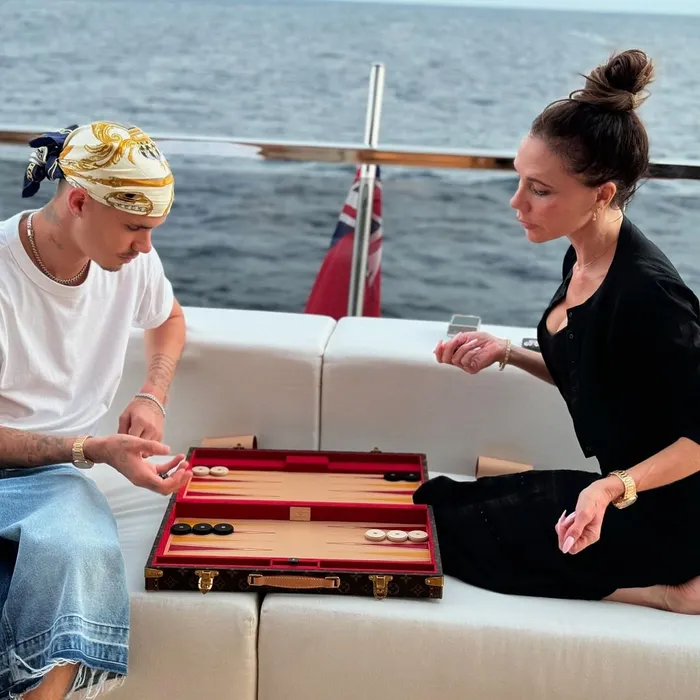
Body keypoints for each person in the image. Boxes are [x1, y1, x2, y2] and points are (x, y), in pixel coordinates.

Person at [413, 49, 700, 614]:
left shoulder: (650, 294)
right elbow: (600, 372)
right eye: (520, 179)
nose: (516, 202)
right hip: (621, 493)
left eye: (539, 190)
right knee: (435, 500)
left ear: (602, 194)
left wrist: (611, 488)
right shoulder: (585, 258)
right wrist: (508, 353)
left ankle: (672, 593)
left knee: (450, 540)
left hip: (670, 513)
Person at [0, 121, 192, 700]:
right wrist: (91, 450)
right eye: (134, 227)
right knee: (72, 547)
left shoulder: (131, 264)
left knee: (71, 548)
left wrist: (152, 393)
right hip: (38, 470)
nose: (145, 247)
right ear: (79, 201)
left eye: (153, 230)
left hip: (55, 476)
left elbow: (168, 319)